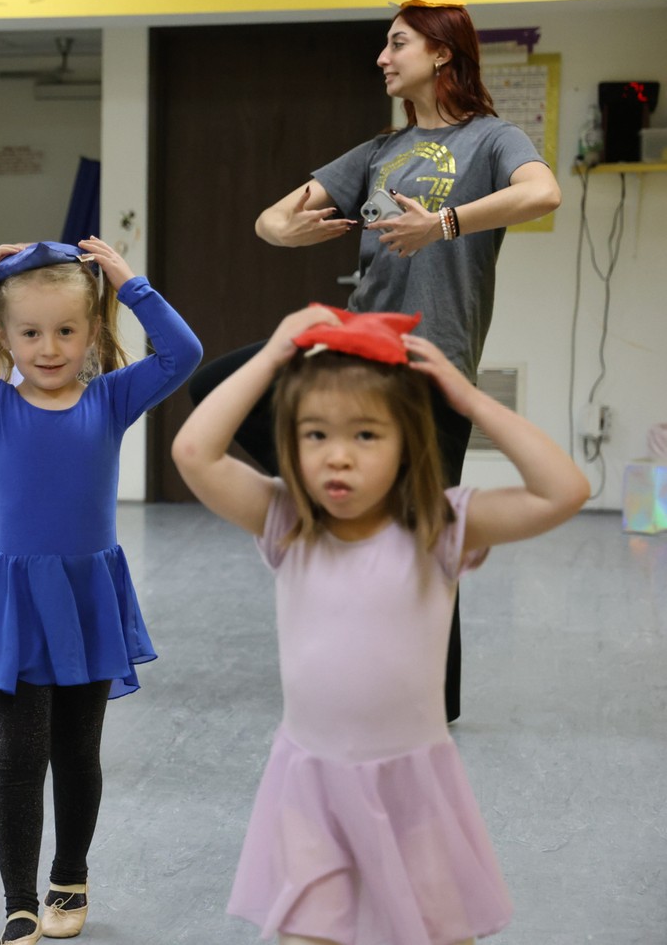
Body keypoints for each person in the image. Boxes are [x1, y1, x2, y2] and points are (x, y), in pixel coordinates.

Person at [189, 0, 562, 720]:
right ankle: (336, 513)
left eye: (397, 44)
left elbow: (541, 192)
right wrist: (286, 233)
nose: (383, 58)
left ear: (441, 53)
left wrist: (444, 223)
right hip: (360, 355)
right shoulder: (376, 151)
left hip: (435, 360)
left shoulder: (490, 139)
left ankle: (432, 706)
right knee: (218, 381)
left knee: (433, 534)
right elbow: (270, 216)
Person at [172, 305, 588, 945]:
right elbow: (194, 451)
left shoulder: (439, 526)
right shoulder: (286, 521)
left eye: (366, 436)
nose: (338, 457)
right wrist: (275, 353)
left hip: (413, 790)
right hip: (312, 786)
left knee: (437, 933)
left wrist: (467, 397)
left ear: (407, 441)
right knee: (309, 934)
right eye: (316, 435)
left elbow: (564, 490)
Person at [0, 238, 202, 945]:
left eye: (66, 330)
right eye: (30, 332)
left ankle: (69, 872)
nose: (48, 348)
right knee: (17, 754)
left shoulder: (109, 398)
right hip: (19, 599)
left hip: (88, 593)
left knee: (76, 749)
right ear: (3, 336)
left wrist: (128, 282)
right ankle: (17, 899)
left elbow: (181, 353)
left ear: (92, 333)